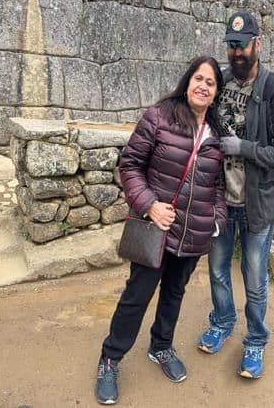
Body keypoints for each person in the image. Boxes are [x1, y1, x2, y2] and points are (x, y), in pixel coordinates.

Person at [95, 56, 229, 404]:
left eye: (210, 82)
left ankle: (162, 346)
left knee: (174, 293)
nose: (203, 86)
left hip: (194, 232)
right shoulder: (160, 117)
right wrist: (149, 206)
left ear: (216, 93)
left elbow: (218, 186)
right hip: (156, 229)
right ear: (187, 82)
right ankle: (111, 357)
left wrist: (216, 219)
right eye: (198, 78)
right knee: (137, 295)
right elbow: (130, 163)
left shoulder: (217, 135)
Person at [197, 12, 274, 379]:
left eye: (242, 45)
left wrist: (244, 147)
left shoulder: (273, 90)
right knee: (217, 270)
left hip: (257, 203)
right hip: (222, 201)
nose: (236, 52)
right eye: (231, 45)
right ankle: (222, 321)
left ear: (258, 44)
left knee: (254, 276)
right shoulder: (220, 83)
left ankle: (255, 340)